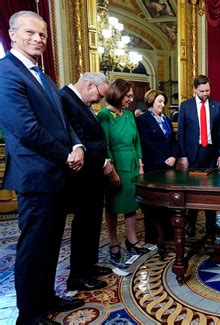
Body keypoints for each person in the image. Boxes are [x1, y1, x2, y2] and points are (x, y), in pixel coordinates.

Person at [0, 10, 85, 324]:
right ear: (12, 33)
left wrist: (76, 145)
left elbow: (64, 121)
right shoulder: (6, 72)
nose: (38, 39)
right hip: (35, 176)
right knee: (34, 249)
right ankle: (30, 314)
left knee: (50, 246)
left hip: (57, 176)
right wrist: (67, 155)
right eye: (30, 33)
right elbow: (26, 129)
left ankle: (46, 298)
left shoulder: (44, 75)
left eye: (43, 35)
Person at [60, 72, 114, 291]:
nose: (98, 101)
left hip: (92, 176)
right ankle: (78, 275)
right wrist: (103, 162)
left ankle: (89, 266)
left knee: (92, 224)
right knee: (83, 226)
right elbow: (78, 141)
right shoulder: (66, 99)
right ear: (90, 84)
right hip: (82, 177)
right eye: (99, 96)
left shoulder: (81, 102)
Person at [97, 79, 148, 261]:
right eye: (128, 95)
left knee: (131, 204)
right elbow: (105, 145)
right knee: (113, 206)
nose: (131, 99)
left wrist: (140, 164)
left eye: (132, 95)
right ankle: (113, 242)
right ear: (117, 94)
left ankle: (132, 239)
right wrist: (111, 170)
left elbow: (137, 141)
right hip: (116, 164)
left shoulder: (129, 115)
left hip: (132, 163)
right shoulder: (103, 115)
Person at [178, 75, 220, 238]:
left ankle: (211, 225)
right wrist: (183, 156)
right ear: (195, 89)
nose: (205, 93)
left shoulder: (217, 106)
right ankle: (190, 224)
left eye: (208, 90)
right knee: (192, 192)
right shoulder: (185, 106)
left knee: (211, 192)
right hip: (193, 153)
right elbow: (182, 133)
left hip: (212, 153)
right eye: (202, 91)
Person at [136, 89, 178, 256]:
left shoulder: (166, 119)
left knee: (167, 201)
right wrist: (163, 160)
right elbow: (146, 144)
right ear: (151, 101)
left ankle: (167, 233)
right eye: (160, 101)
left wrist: (173, 156)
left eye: (163, 102)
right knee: (154, 202)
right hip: (154, 167)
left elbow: (173, 141)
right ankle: (153, 236)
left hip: (169, 167)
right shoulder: (143, 120)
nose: (163, 104)